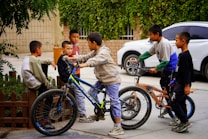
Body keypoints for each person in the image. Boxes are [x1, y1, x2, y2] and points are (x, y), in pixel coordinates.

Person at [65, 32, 124, 136]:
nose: (88, 45)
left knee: (114, 101)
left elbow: (94, 61)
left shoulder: (103, 53)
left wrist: (82, 65)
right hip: (102, 79)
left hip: (111, 80)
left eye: (88, 43)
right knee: (91, 93)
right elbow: (87, 57)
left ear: (94, 43)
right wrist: (72, 58)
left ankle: (118, 127)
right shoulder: (96, 50)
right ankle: (100, 113)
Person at [131, 24, 178, 116]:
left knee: (168, 89)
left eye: (151, 34)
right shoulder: (157, 44)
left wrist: (156, 68)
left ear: (157, 34)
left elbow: (166, 60)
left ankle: (174, 108)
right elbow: (148, 53)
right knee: (163, 84)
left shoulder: (164, 43)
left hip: (171, 69)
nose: (150, 37)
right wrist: (138, 59)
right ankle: (168, 105)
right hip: (166, 68)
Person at [21, 40, 56, 129]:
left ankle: (42, 94)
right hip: (34, 83)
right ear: (37, 49)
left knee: (44, 64)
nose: (42, 51)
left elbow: (40, 62)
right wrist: (48, 85)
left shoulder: (29, 58)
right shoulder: (34, 61)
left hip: (30, 80)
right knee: (50, 96)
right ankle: (44, 120)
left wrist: (50, 61)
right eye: (41, 49)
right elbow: (40, 75)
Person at [57, 41, 93, 123]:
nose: (70, 50)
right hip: (69, 80)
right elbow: (72, 65)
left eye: (71, 49)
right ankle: (82, 115)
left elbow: (73, 64)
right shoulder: (64, 58)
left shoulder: (65, 57)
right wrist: (76, 64)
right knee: (80, 94)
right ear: (63, 49)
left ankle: (81, 113)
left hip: (70, 79)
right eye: (68, 48)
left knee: (80, 92)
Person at [170, 32, 194, 133]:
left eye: (176, 40)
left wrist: (187, 85)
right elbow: (179, 70)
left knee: (173, 101)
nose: (175, 42)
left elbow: (188, 71)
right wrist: (173, 80)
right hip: (178, 82)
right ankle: (182, 122)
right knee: (181, 102)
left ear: (183, 41)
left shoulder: (185, 56)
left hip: (182, 83)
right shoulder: (182, 55)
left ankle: (184, 121)